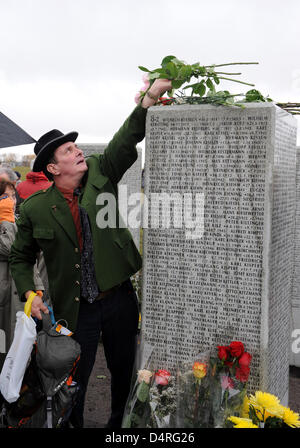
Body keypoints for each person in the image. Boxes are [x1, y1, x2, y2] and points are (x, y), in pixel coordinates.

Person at [9, 78, 172, 428]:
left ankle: (119, 427)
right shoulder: (37, 207)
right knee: (75, 382)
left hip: (118, 300)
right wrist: (29, 292)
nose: (77, 150)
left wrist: (149, 98)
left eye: (75, 146)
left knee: (124, 373)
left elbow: (126, 140)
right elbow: (20, 257)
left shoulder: (101, 172)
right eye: (67, 150)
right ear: (53, 168)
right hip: (75, 307)